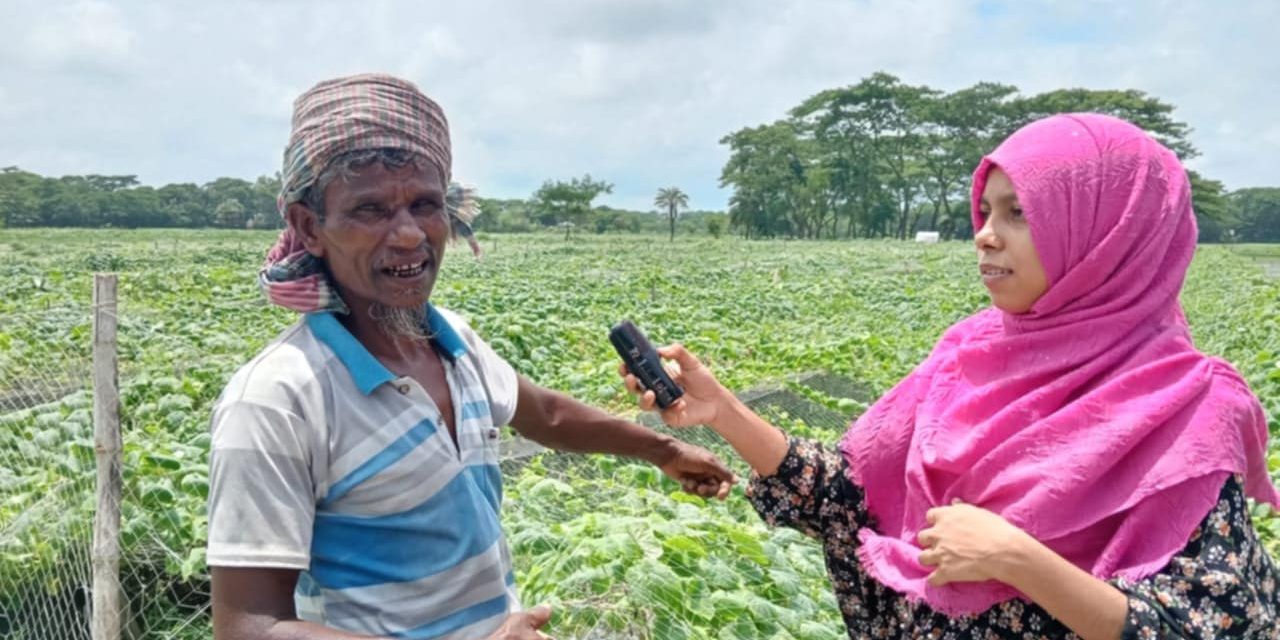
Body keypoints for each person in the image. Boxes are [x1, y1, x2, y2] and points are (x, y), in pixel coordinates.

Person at [622, 113, 1280, 639]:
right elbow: (852, 500)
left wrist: (1016, 559)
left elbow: (1210, 621)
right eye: (986, 211)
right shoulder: (967, 355)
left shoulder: (1189, 408)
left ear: (1107, 236)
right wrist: (723, 413)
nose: (986, 236)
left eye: (1021, 213)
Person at [205, 73, 735, 640]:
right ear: (311, 227)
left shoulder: (451, 340)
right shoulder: (276, 400)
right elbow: (249, 626)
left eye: (424, 204)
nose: (409, 235)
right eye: (370, 209)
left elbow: (546, 414)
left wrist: (665, 449)